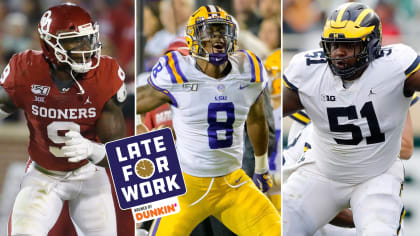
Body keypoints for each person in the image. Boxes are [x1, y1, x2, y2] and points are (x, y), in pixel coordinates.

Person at [137, 5, 281, 236]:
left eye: (222, 31)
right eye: (210, 31)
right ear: (193, 38)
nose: (217, 37)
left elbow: (256, 118)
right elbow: (138, 100)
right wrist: (137, 124)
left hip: (233, 183)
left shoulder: (248, 69)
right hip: (187, 186)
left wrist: (262, 167)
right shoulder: (177, 71)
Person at [282, 2, 420, 235]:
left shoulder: (395, 66)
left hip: (378, 176)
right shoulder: (308, 71)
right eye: (334, 44)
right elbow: (266, 112)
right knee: (278, 225)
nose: (338, 52)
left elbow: (406, 148)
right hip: (321, 172)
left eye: (348, 45)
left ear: (372, 45)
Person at [1, 3, 127, 235]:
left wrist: (92, 150)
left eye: (88, 38)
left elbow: (121, 154)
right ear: (50, 44)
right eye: (74, 40)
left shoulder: (104, 74)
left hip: (90, 175)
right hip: (43, 175)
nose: (86, 47)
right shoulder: (26, 70)